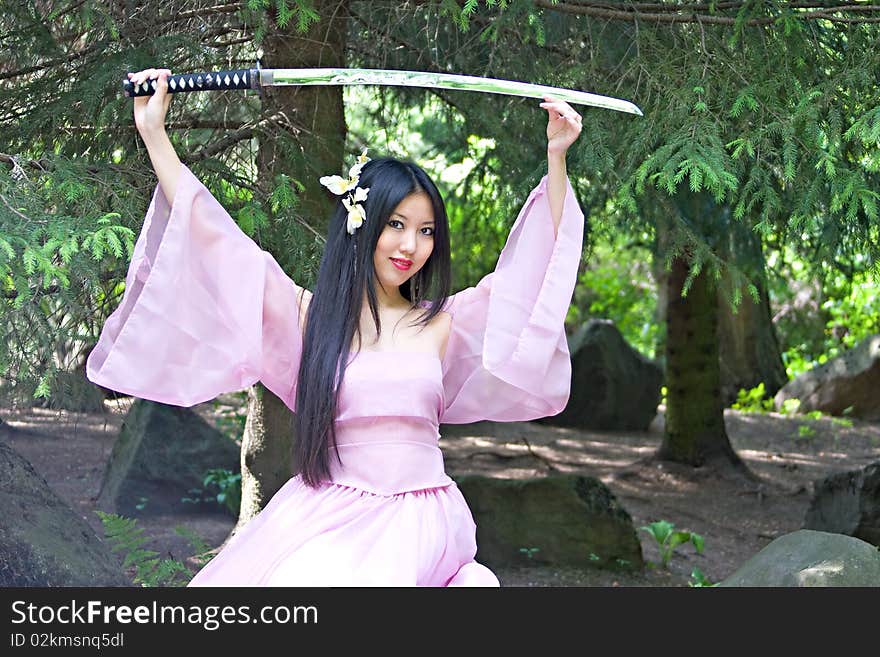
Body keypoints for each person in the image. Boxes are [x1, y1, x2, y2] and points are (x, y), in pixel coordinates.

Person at [86, 67, 585, 586]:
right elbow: (218, 244)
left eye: (426, 231)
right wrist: (154, 134)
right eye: (395, 225)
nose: (410, 247)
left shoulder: (444, 324)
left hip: (419, 518)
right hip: (329, 510)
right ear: (360, 224)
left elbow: (528, 279)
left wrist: (556, 158)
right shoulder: (310, 317)